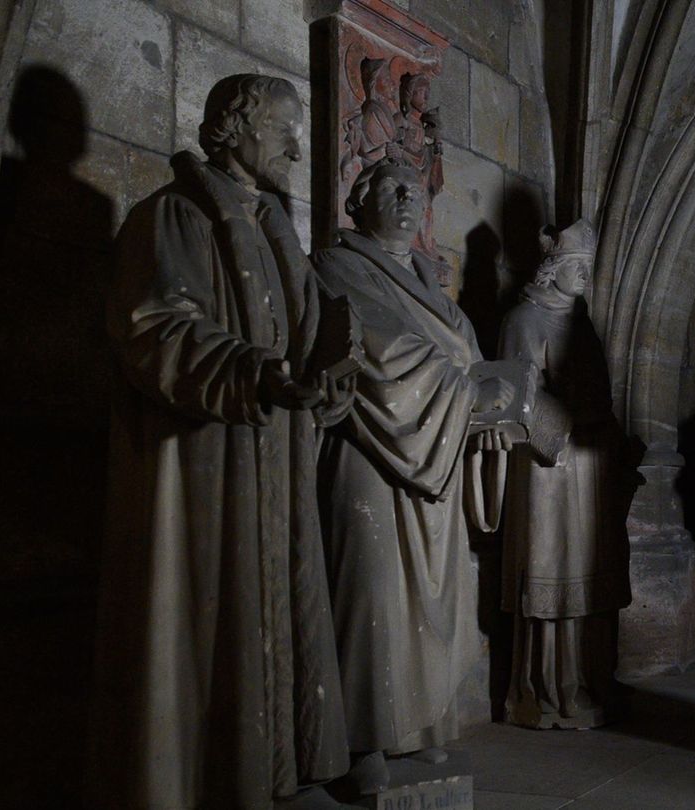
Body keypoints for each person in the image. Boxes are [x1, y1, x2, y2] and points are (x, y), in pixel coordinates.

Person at [92, 74, 352, 809]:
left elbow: (302, 341)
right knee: (213, 619)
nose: (299, 147)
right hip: (211, 462)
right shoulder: (172, 218)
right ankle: (219, 782)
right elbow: (154, 327)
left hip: (277, 456)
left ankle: (280, 773)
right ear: (233, 128)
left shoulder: (275, 232)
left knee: (283, 605)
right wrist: (253, 373)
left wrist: (326, 384)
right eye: (285, 129)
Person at [313, 155, 516, 794]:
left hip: (439, 455)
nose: (407, 199)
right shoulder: (333, 267)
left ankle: (411, 729)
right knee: (369, 590)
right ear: (359, 201)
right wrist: (473, 390)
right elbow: (377, 354)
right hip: (371, 447)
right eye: (391, 188)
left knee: (429, 599)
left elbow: (470, 359)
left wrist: (500, 398)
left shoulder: (434, 289)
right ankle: (358, 740)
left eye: (415, 191)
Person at [497, 220, 631, 729]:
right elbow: (514, 397)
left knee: (591, 573)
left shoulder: (582, 323)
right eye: (576, 267)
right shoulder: (523, 320)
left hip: (589, 463)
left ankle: (591, 677)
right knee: (553, 570)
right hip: (548, 466)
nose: (583, 277)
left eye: (587, 269)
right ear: (552, 269)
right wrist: (569, 422)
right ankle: (550, 688)